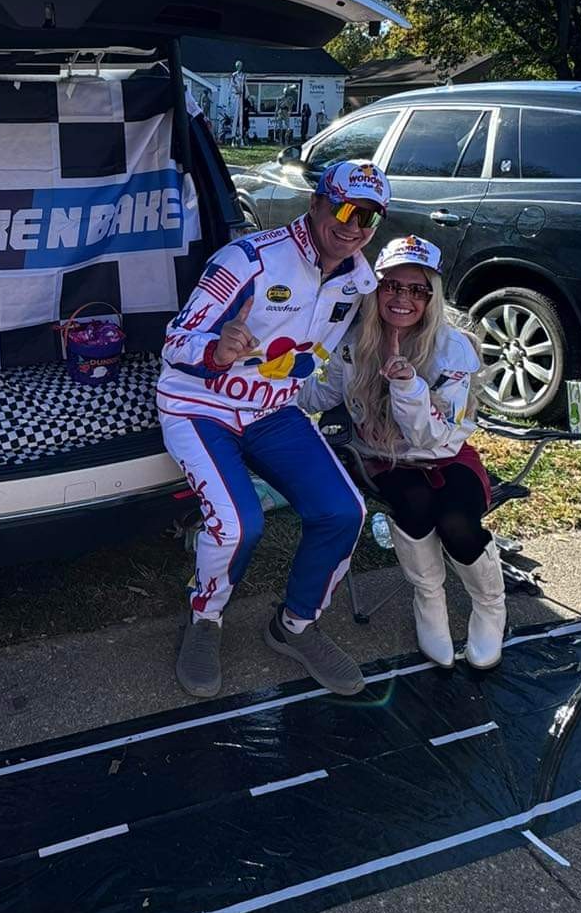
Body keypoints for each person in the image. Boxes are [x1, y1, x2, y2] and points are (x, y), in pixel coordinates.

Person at [158, 160, 392, 699]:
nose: (354, 226)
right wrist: (216, 349)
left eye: (370, 217)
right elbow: (175, 343)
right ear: (315, 203)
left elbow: (371, 339)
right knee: (239, 526)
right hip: (200, 405)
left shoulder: (359, 280)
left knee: (344, 511)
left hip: (271, 411)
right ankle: (204, 618)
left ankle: (295, 625)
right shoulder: (248, 259)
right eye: (345, 210)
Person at [300, 236, 505, 669]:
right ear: (376, 289)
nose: (402, 298)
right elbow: (321, 396)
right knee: (413, 502)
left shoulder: (453, 349)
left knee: (456, 520)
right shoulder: (354, 340)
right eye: (392, 285)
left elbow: (430, 438)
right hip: (381, 456)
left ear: (432, 297)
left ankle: (490, 605)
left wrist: (407, 384)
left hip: (444, 453)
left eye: (417, 289)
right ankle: (429, 600)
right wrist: (269, 372)